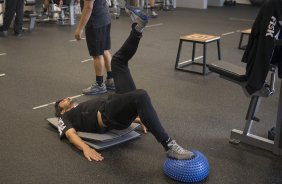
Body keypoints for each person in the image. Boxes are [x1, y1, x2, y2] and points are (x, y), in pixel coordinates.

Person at [55, 6, 194, 162]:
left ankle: (138, 28)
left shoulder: (79, 107)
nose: (67, 98)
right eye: (63, 101)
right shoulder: (65, 117)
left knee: (118, 61)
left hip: (114, 103)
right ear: (61, 112)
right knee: (140, 95)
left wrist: (140, 118)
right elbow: (70, 135)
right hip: (109, 115)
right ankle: (169, 146)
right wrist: (85, 148)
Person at [75, 0, 115, 95]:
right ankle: (111, 80)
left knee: (97, 54)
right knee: (105, 50)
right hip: (104, 18)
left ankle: (99, 84)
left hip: (95, 22)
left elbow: (88, 7)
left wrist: (79, 28)